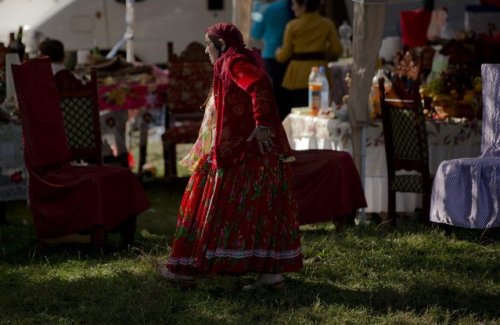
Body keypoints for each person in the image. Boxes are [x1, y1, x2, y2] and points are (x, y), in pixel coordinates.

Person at [159, 22, 303, 290]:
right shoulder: (234, 60)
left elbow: (258, 84)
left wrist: (261, 124)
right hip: (248, 150)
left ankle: (188, 269)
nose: (205, 50)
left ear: (222, 45)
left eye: (208, 44)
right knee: (260, 209)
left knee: (211, 204)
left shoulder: (233, 61)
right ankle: (269, 275)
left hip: (243, 151)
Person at [275, 0, 342, 110]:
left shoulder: (292, 25)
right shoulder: (326, 23)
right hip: (320, 73)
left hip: (297, 75)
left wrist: (277, 52)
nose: (292, 8)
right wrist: (323, 51)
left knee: (299, 111)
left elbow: (283, 56)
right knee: (320, 110)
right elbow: (337, 50)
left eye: (294, 4)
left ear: (303, 6)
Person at [250, 0, 294, 120]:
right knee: (293, 99)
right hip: (296, 57)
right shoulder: (294, 6)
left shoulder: (269, 9)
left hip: (272, 55)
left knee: (277, 98)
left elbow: (255, 33)